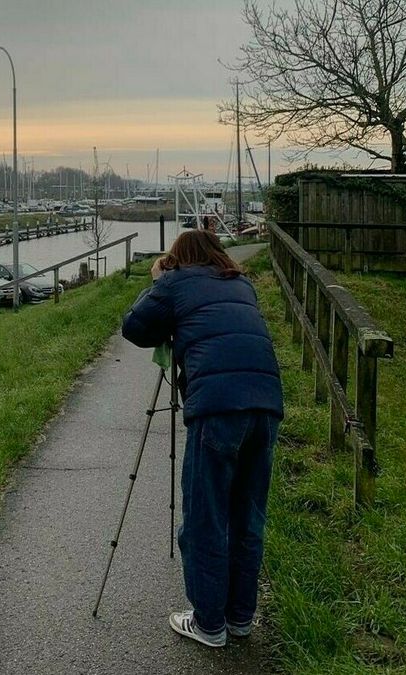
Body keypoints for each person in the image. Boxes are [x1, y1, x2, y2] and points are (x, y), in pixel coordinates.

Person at [120, 229, 283, 648]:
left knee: (205, 517)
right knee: (247, 517)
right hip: (266, 404)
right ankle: (240, 618)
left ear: (178, 258)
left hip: (217, 407)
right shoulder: (240, 282)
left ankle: (209, 623)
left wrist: (158, 281)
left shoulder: (175, 281)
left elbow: (134, 327)